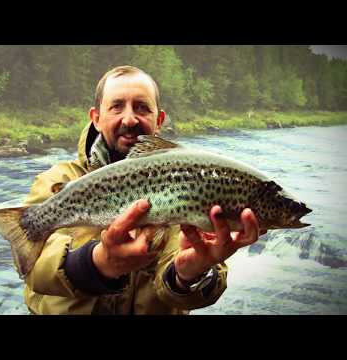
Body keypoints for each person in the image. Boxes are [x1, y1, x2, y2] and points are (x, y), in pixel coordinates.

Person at [21, 65, 264, 314]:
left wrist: (189, 274)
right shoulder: (57, 180)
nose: (129, 119)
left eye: (142, 107)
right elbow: (33, 269)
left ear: (158, 120)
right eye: (117, 106)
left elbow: (189, 286)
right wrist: (99, 262)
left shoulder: (188, 182)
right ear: (96, 117)